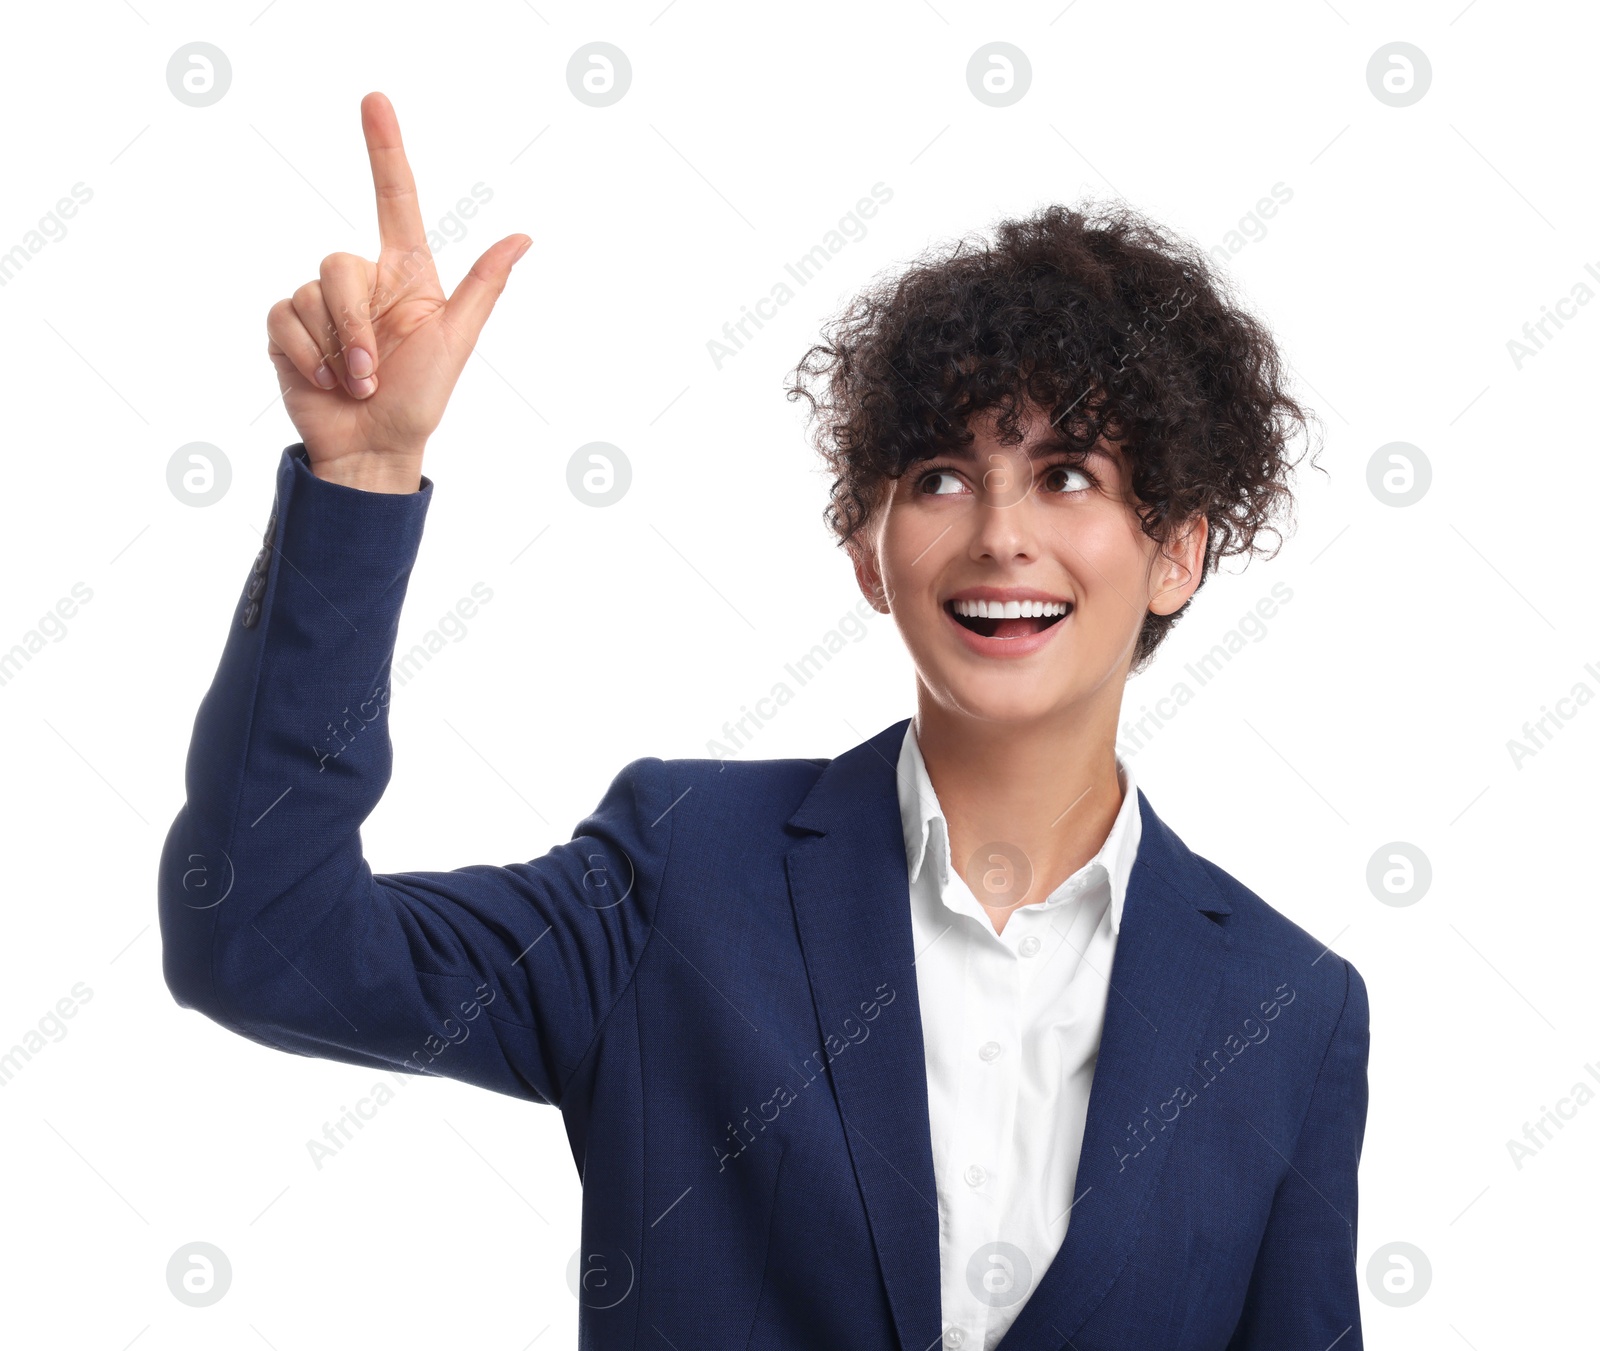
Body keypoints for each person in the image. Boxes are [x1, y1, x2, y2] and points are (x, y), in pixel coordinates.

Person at [159, 92, 1369, 1351]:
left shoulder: (1289, 1011)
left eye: (1068, 475)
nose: (1001, 530)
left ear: (1175, 551)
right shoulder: (679, 875)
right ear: (869, 552)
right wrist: (362, 482)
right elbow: (259, 935)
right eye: (941, 477)